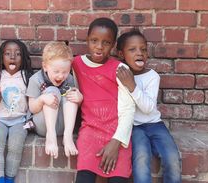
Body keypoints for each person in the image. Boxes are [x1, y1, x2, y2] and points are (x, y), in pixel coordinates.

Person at [72, 17, 135, 183]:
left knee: (118, 179)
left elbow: (129, 109)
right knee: (84, 178)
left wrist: (117, 142)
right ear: (87, 40)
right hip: (90, 131)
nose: (99, 47)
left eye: (106, 43)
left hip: (118, 133)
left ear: (113, 45)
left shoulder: (120, 69)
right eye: (94, 40)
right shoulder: (76, 64)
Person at [116, 29, 182, 183]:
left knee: (172, 157)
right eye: (132, 50)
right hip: (135, 127)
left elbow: (148, 108)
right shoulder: (120, 75)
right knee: (141, 158)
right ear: (121, 54)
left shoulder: (152, 76)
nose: (139, 53)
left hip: (155, 124)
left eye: (143, 49)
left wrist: (132, 86)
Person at [27, 41, 83, 159]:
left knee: (71, 93)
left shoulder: (70, 79)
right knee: (52, 91)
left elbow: (74, 107)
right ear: (45, 66)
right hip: (44, 126)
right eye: (56, 71)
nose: (61, 76)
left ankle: (67, 137)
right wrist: (42, 99)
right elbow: (32, 107)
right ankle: (51, 137)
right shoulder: (35, 79)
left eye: (65, 72)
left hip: (64, 125)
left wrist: (80, 99)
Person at [0, 40, 33, 183]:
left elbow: (32, 99)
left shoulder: (27, 76)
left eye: (18, 54)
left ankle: (9, 179)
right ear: (1, 57)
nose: (12, 57)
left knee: (15, 146)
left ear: (24, 58)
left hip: (20, 120)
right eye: (7, 54)